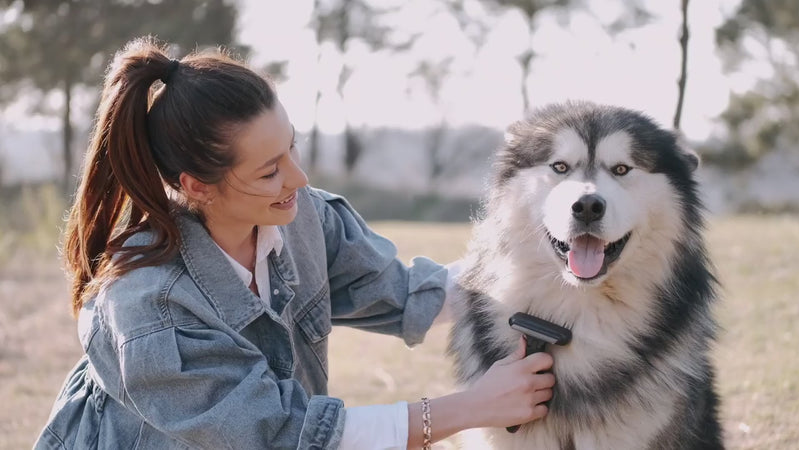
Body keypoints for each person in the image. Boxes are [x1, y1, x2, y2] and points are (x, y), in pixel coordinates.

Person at [34, 37, 555, 450]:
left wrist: (540, 259)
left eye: (292, 148)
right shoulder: (150, 306)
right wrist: (474, 406)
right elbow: (284, 436)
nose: (299, 179)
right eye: (269, 171)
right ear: (195, 185)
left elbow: (406, 293)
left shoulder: (298, 216)